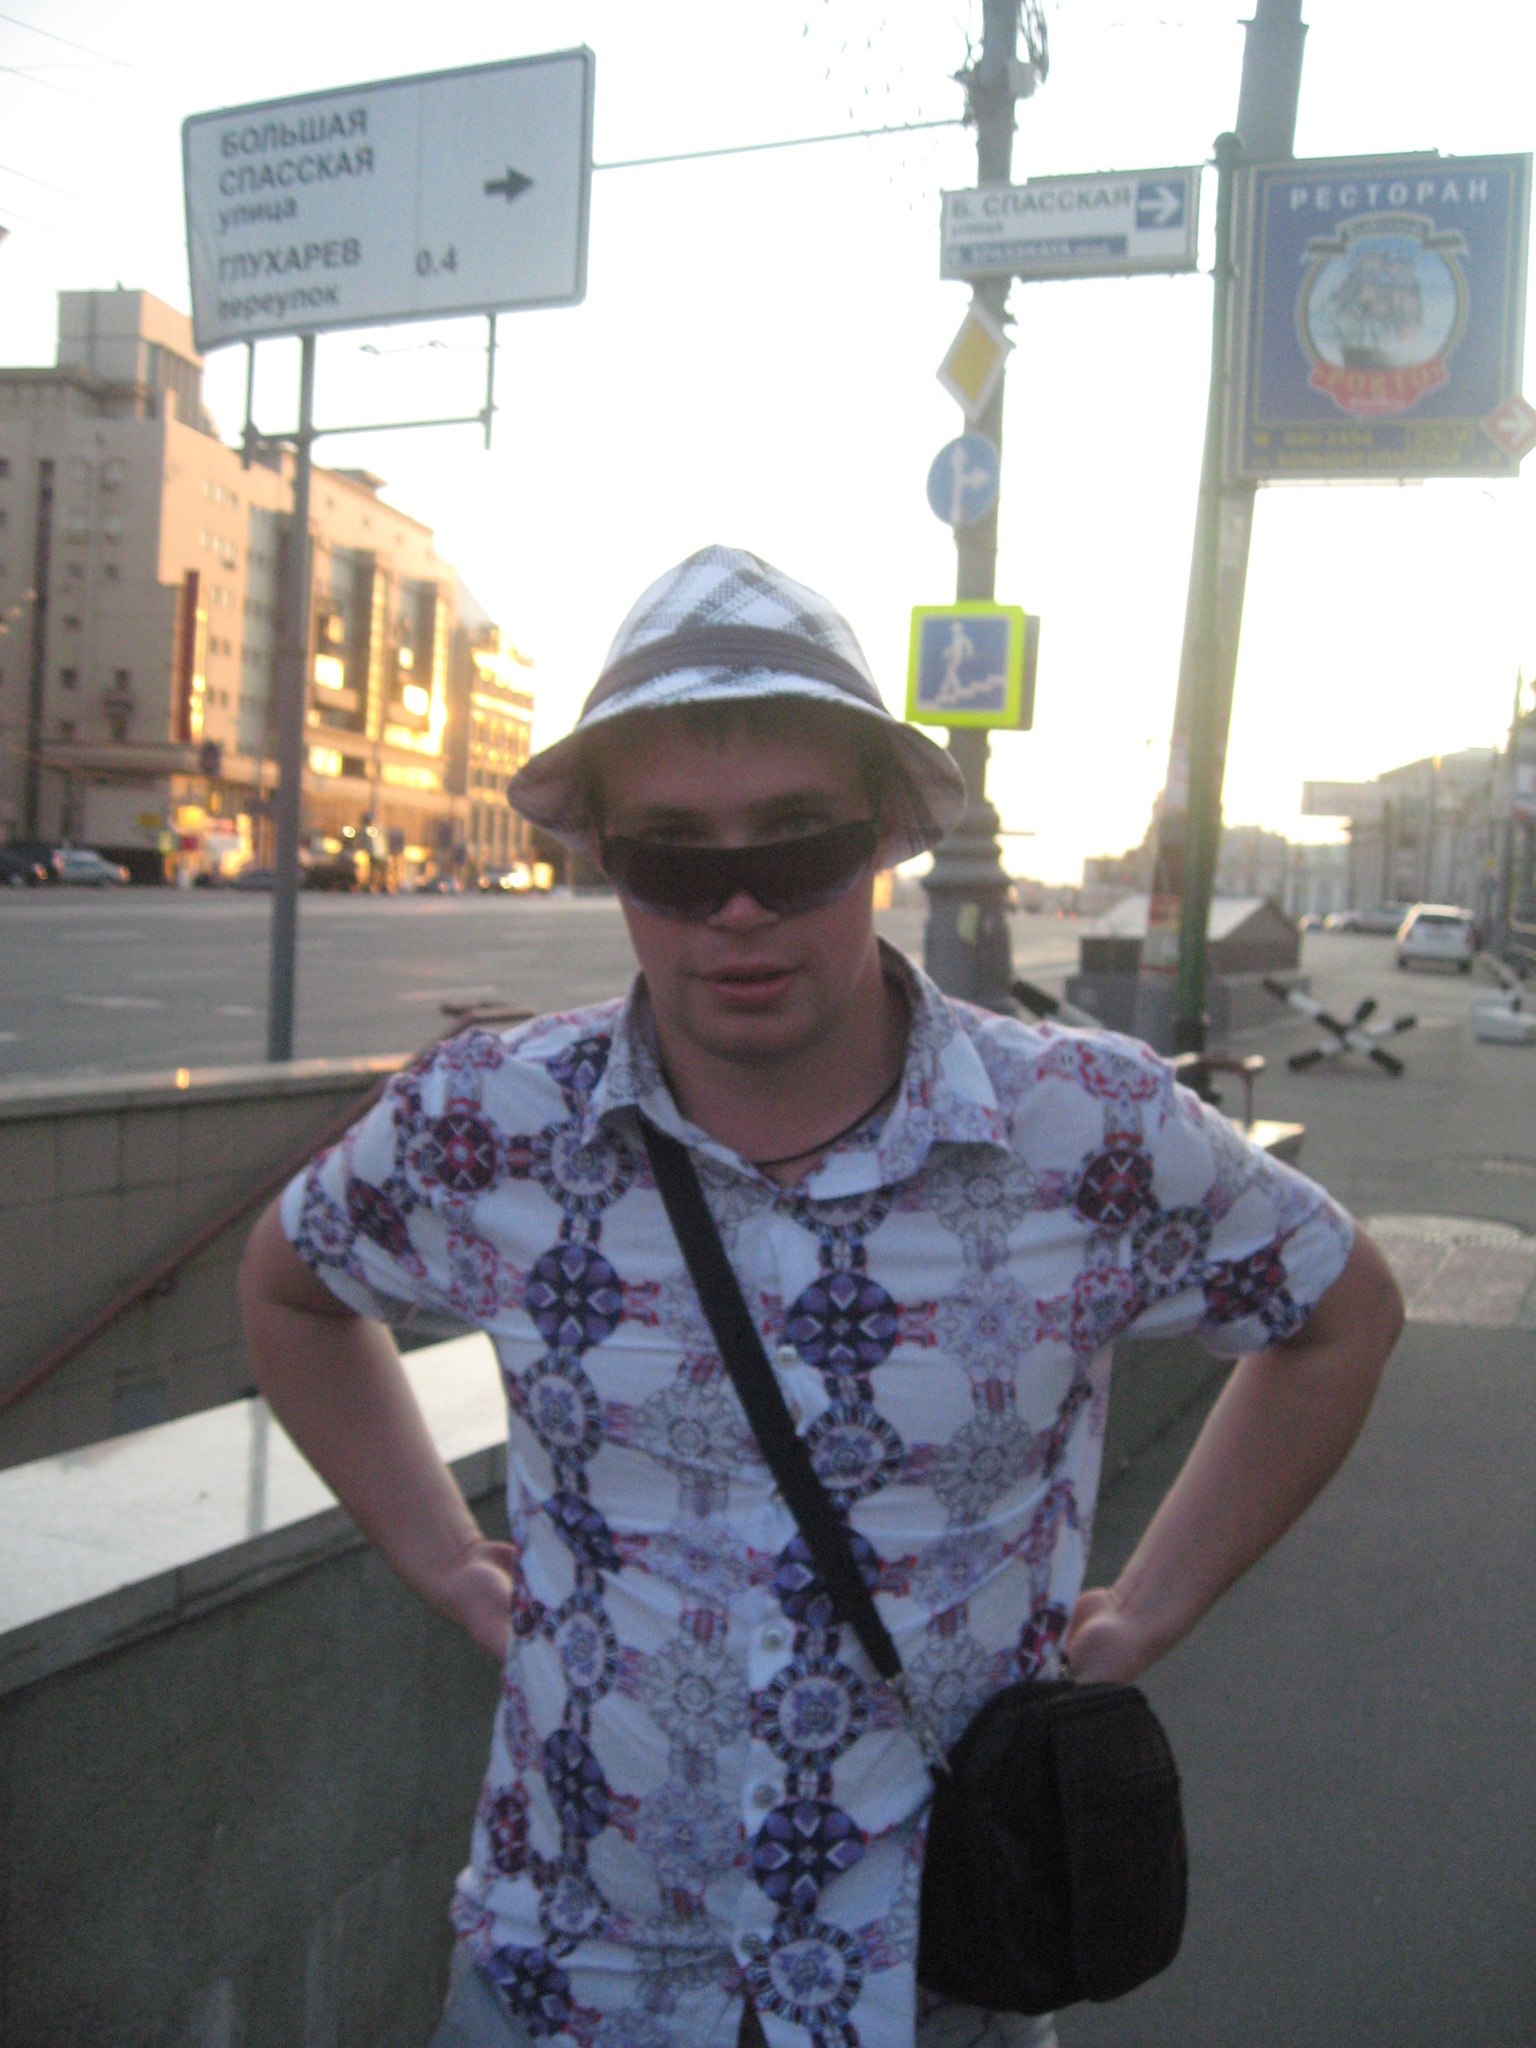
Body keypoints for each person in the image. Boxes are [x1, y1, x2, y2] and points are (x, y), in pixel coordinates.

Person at [239, 545, 1403, 2048]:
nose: (736, 907)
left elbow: (1341, 1313)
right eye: (671, 853)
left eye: (796, 842)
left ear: (881, 841)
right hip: (568, 1975)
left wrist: (1143, 1614)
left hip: (932, 1990)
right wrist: (451, 1562)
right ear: (607, 859)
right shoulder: (489, 1120)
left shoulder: (1083, 1129)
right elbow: (291, 1290)